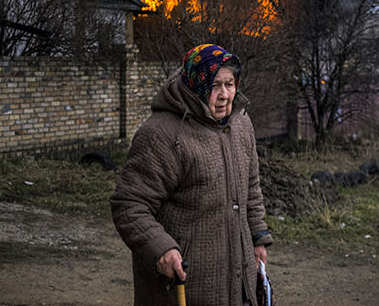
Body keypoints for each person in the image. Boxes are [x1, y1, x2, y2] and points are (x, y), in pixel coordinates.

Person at [111, 43, 273, 306]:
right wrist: (160, 247)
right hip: (186, 283)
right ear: (196, 84)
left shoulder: (241, 122)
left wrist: (257, 238)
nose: (224, 95)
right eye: (214, 85)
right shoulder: (161, 135)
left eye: (229, 84)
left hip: (239, 277)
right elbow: (129, 205)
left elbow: (251, 187)